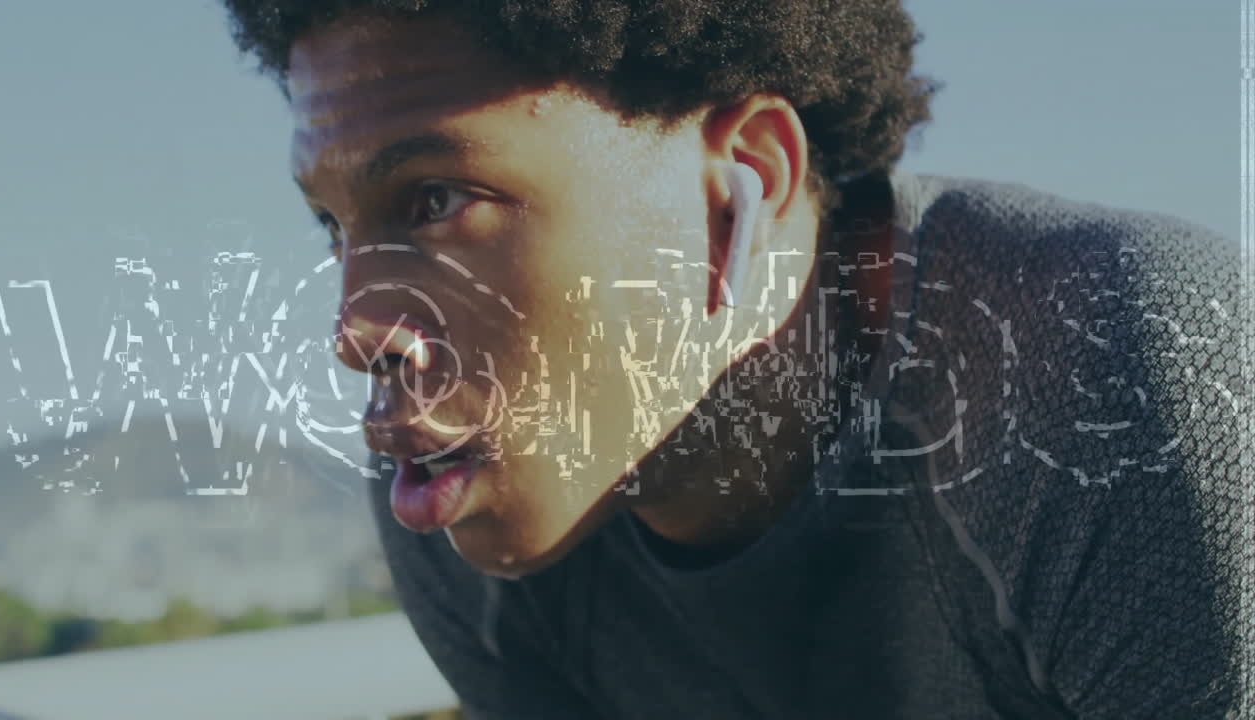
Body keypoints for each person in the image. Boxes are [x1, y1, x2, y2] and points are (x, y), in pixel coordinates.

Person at [220, 2, 1247, 717]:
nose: (356, 331)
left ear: (738, 186)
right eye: (332, 224)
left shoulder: (1112, 373)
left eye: (437, 201)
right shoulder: (466, 519)